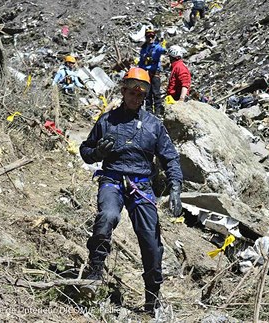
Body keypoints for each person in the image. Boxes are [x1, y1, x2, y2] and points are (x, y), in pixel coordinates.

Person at [79, 67, 183, 314]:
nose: (136, 98)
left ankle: (151, 298)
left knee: (150, 239)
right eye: (132, 93)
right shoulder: (106, 120)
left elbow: (170, 158)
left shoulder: (153, 126)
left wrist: (176, 187)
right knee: (107, 217)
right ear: (123, 91)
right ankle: (94, 275)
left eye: (141, 95)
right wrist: (98, 154)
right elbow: (85, 151)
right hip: (112, 179)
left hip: (141, 185)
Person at [138, 28, 166, 116]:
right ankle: (149, 112)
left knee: (156, 93)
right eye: (148, 36)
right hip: (145, 73)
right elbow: (141, 62)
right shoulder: (143, 49)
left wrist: (163, 44)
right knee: (147, 94)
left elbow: (163, 51)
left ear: (154, 37)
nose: (150, 38)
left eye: (152, 36)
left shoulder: (157, 47)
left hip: (154, 73)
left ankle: (157, 112)